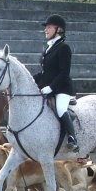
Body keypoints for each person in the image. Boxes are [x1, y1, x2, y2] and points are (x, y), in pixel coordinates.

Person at [33, 14, 79, 152]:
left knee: (60, 109)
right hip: (47, 87)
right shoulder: (48, 48)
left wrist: (51, 88)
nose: (45, 30)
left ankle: (72, 138)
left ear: (58, 29)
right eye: (45, 28)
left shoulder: (64, 48)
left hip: (62, 89)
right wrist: (29, 80)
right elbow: (44, 73)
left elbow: (64, 73)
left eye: (48, 27)